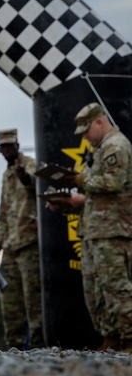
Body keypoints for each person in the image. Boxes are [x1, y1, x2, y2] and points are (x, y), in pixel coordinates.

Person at [51, 102, 132, 351]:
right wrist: (66, 203)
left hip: (112, 229)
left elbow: (114, 183)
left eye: (86, 130)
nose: (85, 136)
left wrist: (80, 180)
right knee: (96, 289)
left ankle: (130, 338)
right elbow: (93, 196)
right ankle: (111, 338)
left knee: (116, 286)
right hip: (93, 230)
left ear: (99, 122)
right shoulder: (98, 151)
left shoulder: (115, 146)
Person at [0, 128, 44, 349]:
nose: (7, 150)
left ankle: (38, 345)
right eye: (4, 147)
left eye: (11, 146)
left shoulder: (30, 165)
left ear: (18, 145)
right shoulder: (6, 175)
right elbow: (4, 214)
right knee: (9, 298)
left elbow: (37, 184)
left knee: (33, 298)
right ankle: (14, 344)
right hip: (10, 245)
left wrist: (24, 177)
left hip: (29, 242)